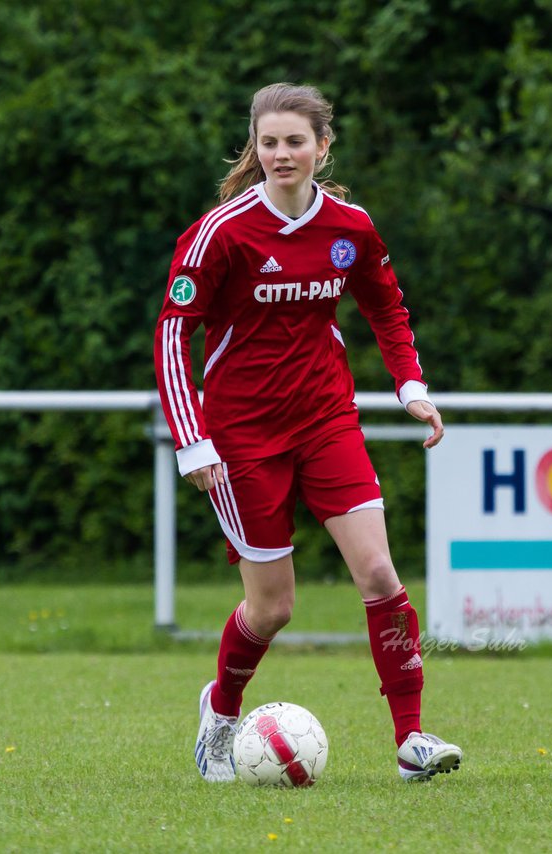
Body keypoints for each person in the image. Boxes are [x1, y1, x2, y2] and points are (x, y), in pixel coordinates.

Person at [154, 83, 462, 783]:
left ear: (323, 147)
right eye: (269, 142)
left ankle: (411, 739)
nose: (282, 154)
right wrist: (193, 439)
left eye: (296, 141)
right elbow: (173, 335)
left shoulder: (350, 229)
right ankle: (221, 711)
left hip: (326, 420)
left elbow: (387, 308)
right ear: (254, 149)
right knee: (274, 608)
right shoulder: (222, 233)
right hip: (241, 437)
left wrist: (410, 384)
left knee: (380, 571)